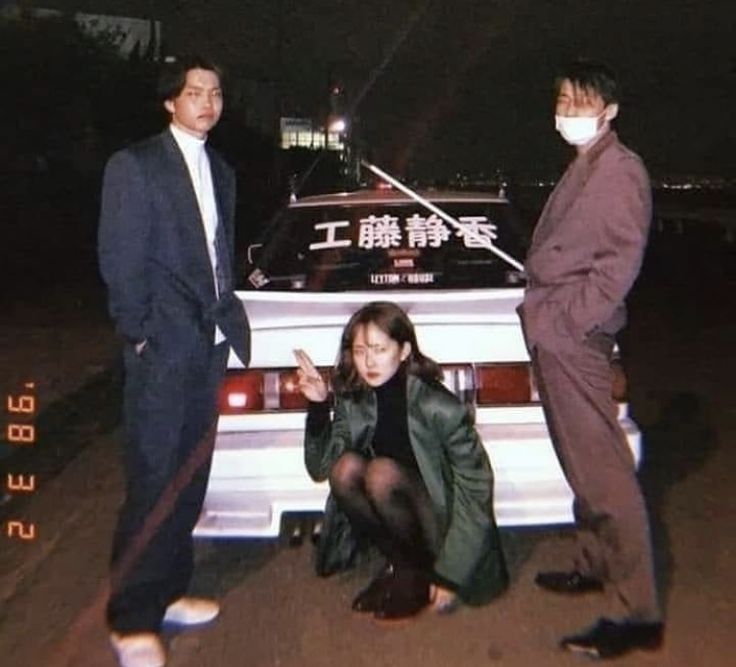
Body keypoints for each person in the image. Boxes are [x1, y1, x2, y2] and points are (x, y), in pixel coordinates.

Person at [98, 55, 250, 667]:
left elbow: (217, 255)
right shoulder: (135, 165)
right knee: (153, 477)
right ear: (171, 101)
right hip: (161, 346)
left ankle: (169, 590)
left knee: (190, 475)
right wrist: (137, 333)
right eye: (195, 92)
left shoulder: (222, 169)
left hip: (209, 343)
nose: (207, 102)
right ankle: (130, 616)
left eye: (215, 92)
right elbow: (120, 256)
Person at [517, 60, 663, 659]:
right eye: (563, 102)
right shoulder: (586, 165)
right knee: (581, 467)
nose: (568, 114)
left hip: (575, 339)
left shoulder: (621, 171)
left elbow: (616, 269)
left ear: (609, 111)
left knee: (605, 475)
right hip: (556, 335)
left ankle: (637, 613)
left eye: (580, 104)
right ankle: (593, 563)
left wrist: (562, 323)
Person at [293, 301, 508, 621]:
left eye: (380, 349)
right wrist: (320, 406)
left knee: (380, 474)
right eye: (361, 350)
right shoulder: (356, 399)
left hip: (443, 525)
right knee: (345, 470)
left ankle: (420, 574)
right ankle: (404, 567)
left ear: (404, 350)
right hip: (403, 520)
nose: (369, 361)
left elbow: (476, 488)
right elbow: (320, 468)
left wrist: (451, 572)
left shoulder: (440, 407)